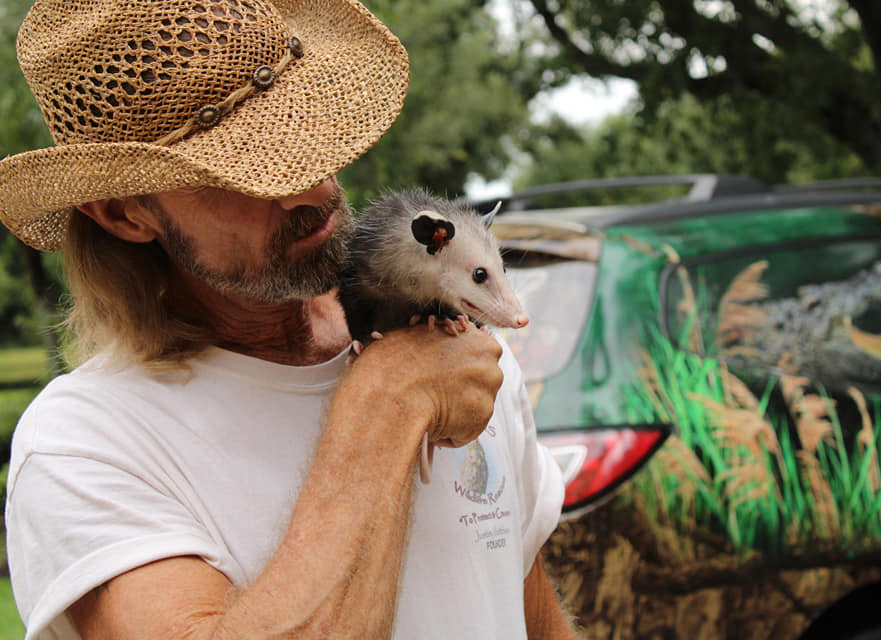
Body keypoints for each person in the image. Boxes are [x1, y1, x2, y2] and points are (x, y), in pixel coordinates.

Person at [0, 1, 576, 638]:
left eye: (303, 131)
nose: (309, 186)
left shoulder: (461, 350)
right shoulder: (86, 445)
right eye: (243, 171)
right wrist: (387, 401)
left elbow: (529, 617)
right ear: (123, 214)